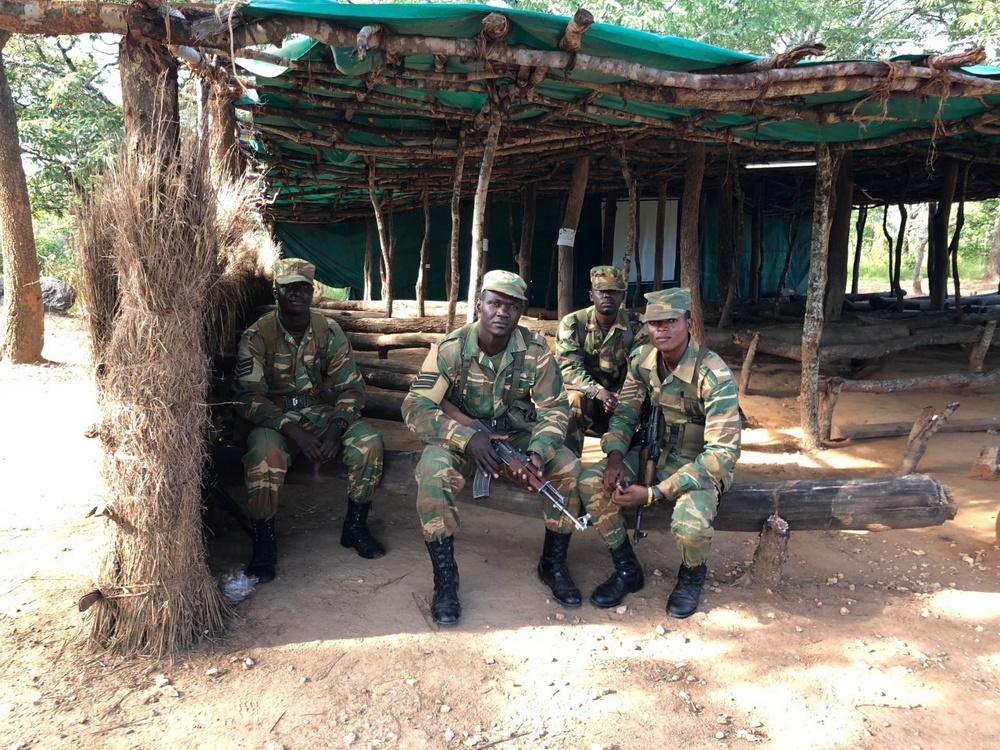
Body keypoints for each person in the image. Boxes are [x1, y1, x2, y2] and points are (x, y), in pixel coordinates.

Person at [402, 270, 583, 626]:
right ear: (479, 305)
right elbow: (415, 407)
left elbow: (554, 409)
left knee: (567, 467)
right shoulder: (450, 349)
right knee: (433, 471)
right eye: (495, 303)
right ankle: (445, 580)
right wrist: (466, 438)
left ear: (520, 313)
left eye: (512, 307)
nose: (502, 312)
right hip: (462, 439)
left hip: (513, 440)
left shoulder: (535, 351)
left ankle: (553, 563)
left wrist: (537, 453)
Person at [577, 288, 741, 618]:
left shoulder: (713, 373)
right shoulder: (643, 362)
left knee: (690, 524)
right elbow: (624, 415)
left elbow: (722, 453)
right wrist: (615, 458)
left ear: (689, 322)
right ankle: (627, 568)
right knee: (591, 481)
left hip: (699, 465)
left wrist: (654, 493)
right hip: (652, 452)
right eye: (654, 323)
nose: (661, 330)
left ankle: (692, 576)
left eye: (670, 321)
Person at [233, 258, 385, 583]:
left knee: (369, 443)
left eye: (303, 287)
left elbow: (351, 386)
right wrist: (293, 431)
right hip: (276, 421)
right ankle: (265, 541)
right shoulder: (258, 335)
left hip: (322, 413)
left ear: (312, 292)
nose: (297, 294)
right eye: (289, 288)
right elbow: (249, 397)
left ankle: (355, 527)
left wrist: (337, 426)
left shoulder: (328, 331)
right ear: (276, 292)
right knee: (263, 456)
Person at [555, 265, 647, 455]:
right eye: (602, 291)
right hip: (590, 398)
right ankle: (566, 463)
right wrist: (600, 393)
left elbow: (641, 369)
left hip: (627, 399)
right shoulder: (573, 323)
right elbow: (569, 369)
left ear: (622, 296)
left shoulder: (638, 325)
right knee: (572, 401)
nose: (607, 296)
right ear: (591, 295)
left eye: (613, 291)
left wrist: (624, 395)